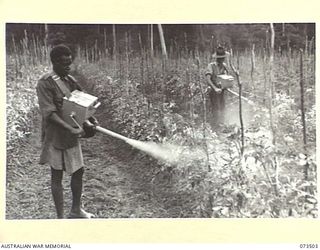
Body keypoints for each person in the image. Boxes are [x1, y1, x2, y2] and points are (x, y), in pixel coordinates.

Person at [36, 44, 97, 219]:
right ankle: (61, 218)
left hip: (71, 135)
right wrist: (70, 128)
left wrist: (90, 119)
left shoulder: (70, 81)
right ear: (54, 62)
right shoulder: (45, 83)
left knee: (78, 171)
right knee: (57, 175)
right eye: (64, 64)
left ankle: (76, 210)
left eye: (69, 63)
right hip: (55, 136)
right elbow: (49, 114)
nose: (68, 67)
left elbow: (82, 105)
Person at [205, 46, 229, 125]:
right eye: (220, 58)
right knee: (216, 109)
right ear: (217, 58)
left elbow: (227, 77)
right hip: (213, 91)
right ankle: (215, 126)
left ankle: (222, 124)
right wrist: (215, 88)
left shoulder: (224, 66)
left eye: (223, 58)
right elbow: (208, 79)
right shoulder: (211, 66)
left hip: (221, 91)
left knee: (222, 107)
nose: (221, 60)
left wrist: (226, 86)